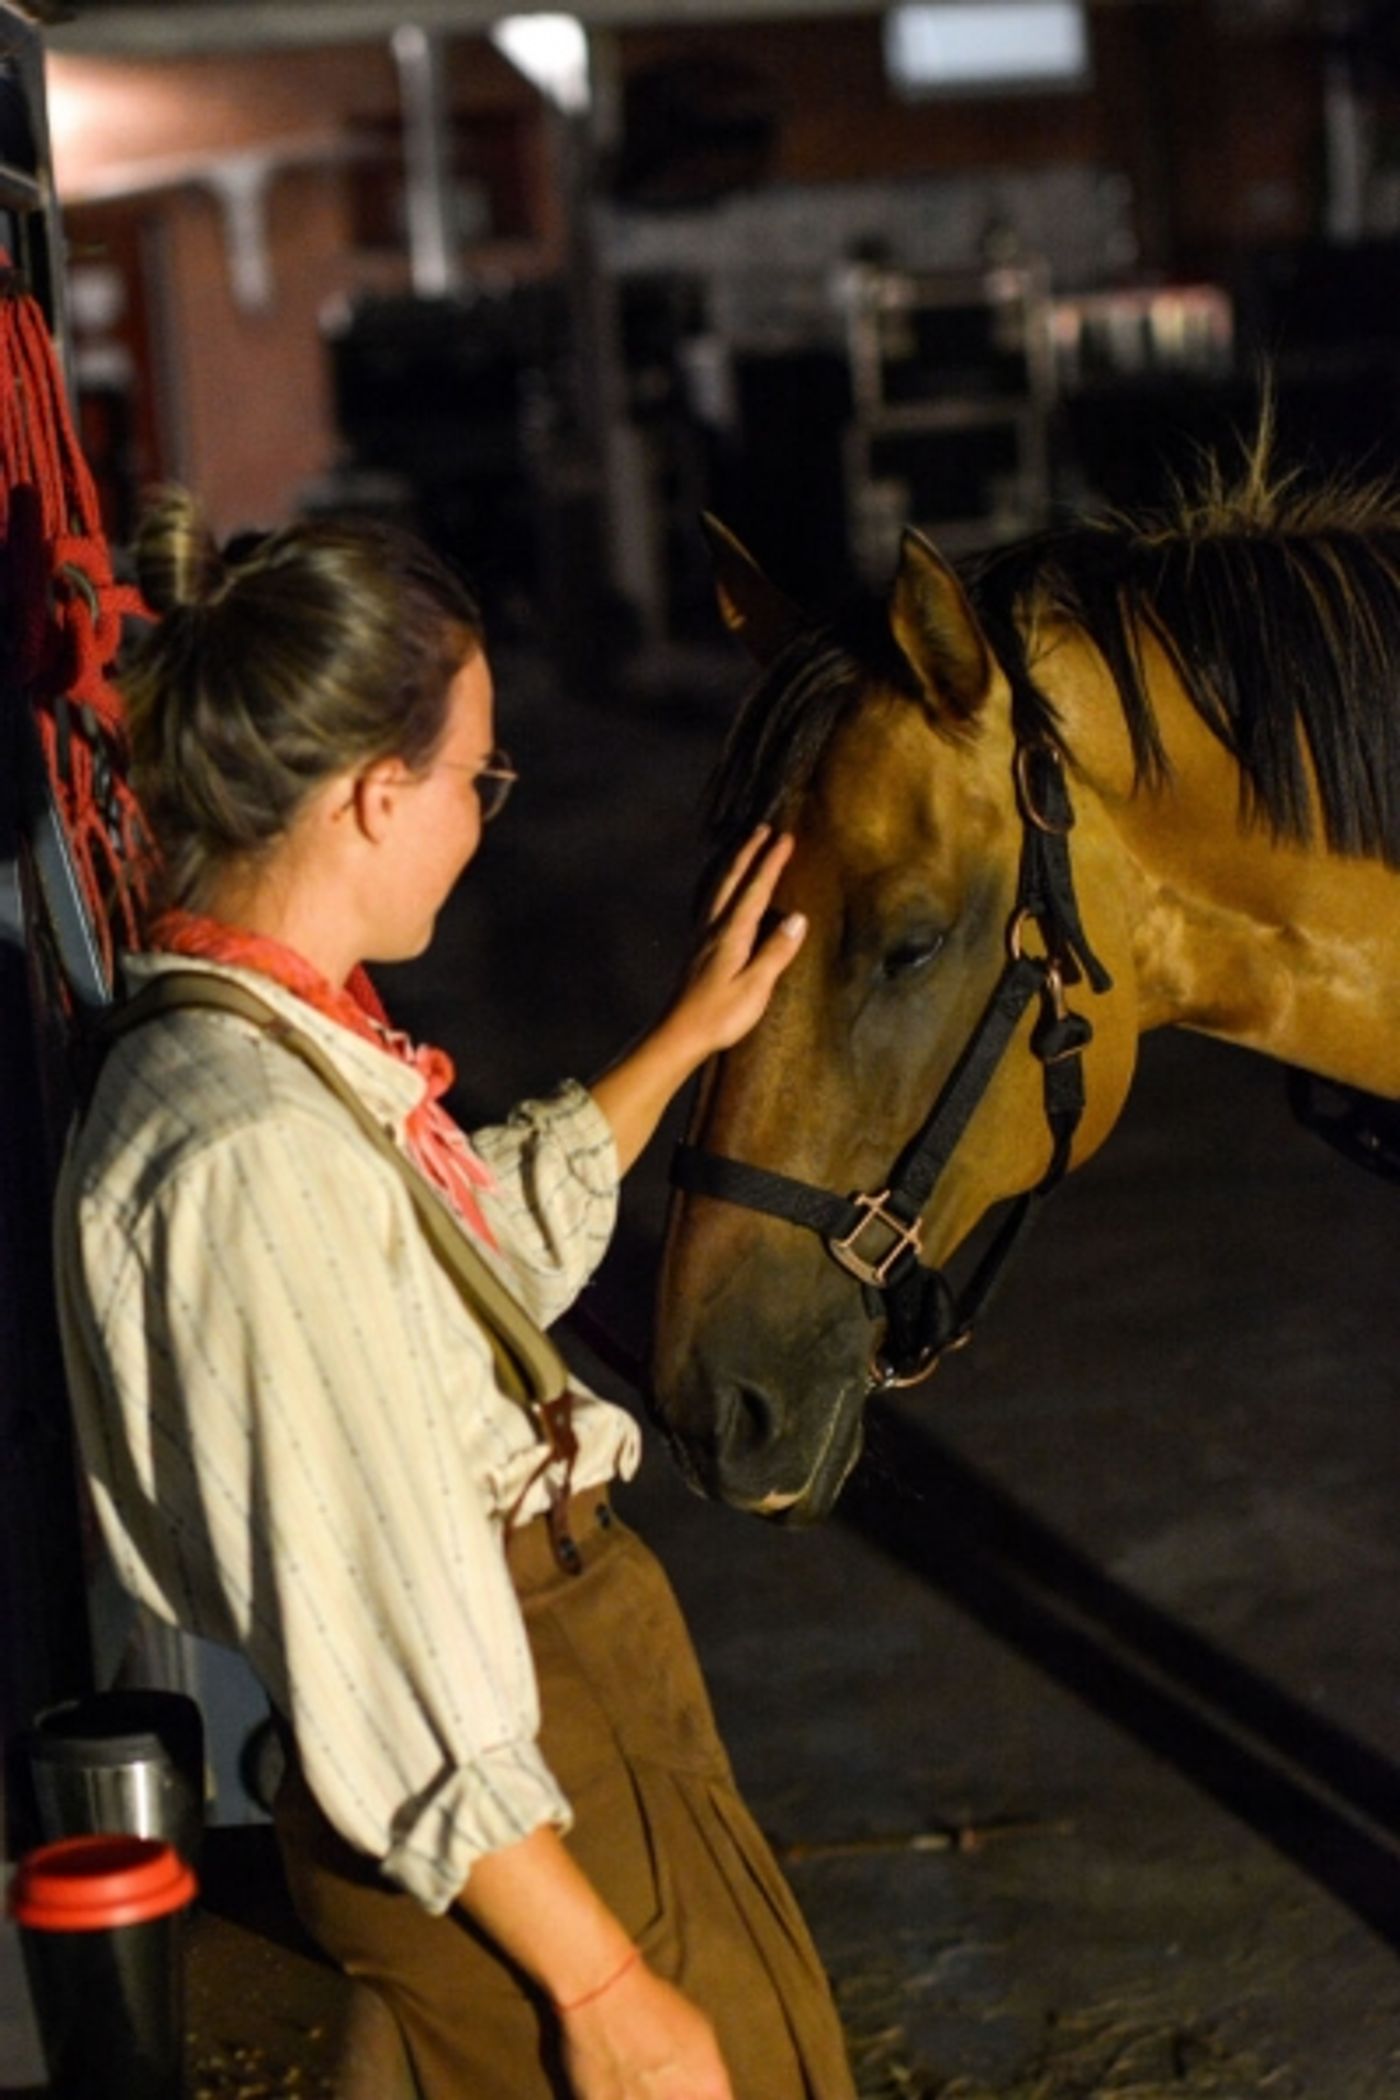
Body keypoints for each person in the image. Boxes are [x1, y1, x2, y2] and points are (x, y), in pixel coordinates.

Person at [53, 490, 855, 2100]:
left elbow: (453, 1282)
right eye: (477, 777)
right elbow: (380, 1623)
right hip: (521, 1791)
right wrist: (604, 1985)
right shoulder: (252, 1152)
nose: (486, 815)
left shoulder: (259, 1054)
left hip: (571, 1728)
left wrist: (684, 1041)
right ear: (376, 793)